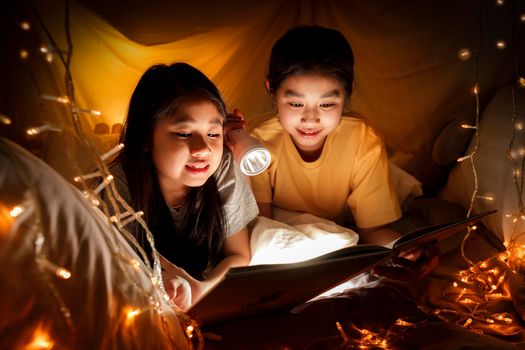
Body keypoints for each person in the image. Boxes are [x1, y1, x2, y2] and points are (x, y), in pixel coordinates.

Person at [245, 25, 438, 278]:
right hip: (300, 219)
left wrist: (403, 248)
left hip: (356, 195)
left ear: (346, 96)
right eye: (295, 103)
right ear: (272, 90)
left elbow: (373, 230)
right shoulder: (257, 143)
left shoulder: (361, 138)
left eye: (326, 104)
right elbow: (264, 226)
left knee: (411, 184)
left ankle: (435, 156)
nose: (310, 119)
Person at [100, 62, 259, 310]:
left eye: (213, 134)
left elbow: (239, 254)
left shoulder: (223, 168)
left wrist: (203, 291)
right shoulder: (115, 187)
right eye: (184, 133)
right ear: (145, 138)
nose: (203, 149)